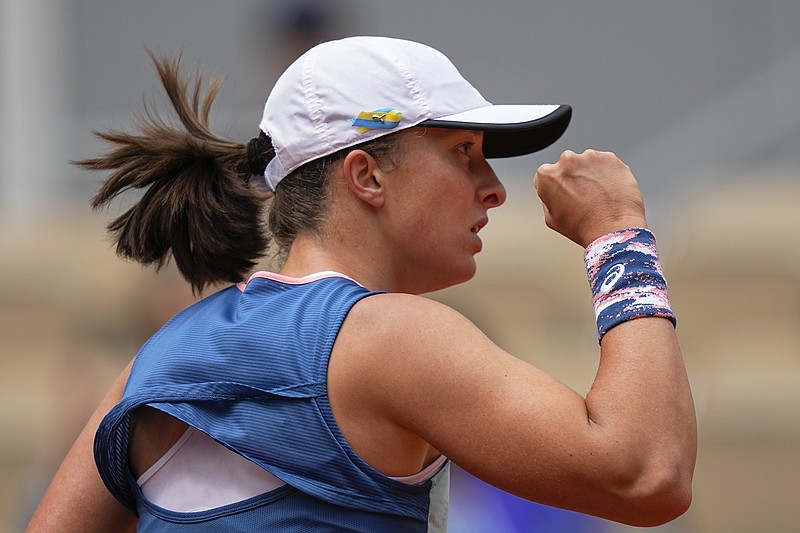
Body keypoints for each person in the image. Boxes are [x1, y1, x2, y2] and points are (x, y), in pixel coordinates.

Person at [27, 36, 696, 532]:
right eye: (463, 153)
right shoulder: (389, 336)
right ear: (366, 176)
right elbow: (646, 471)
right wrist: (619, 235)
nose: (493, 188)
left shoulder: (160, 355)